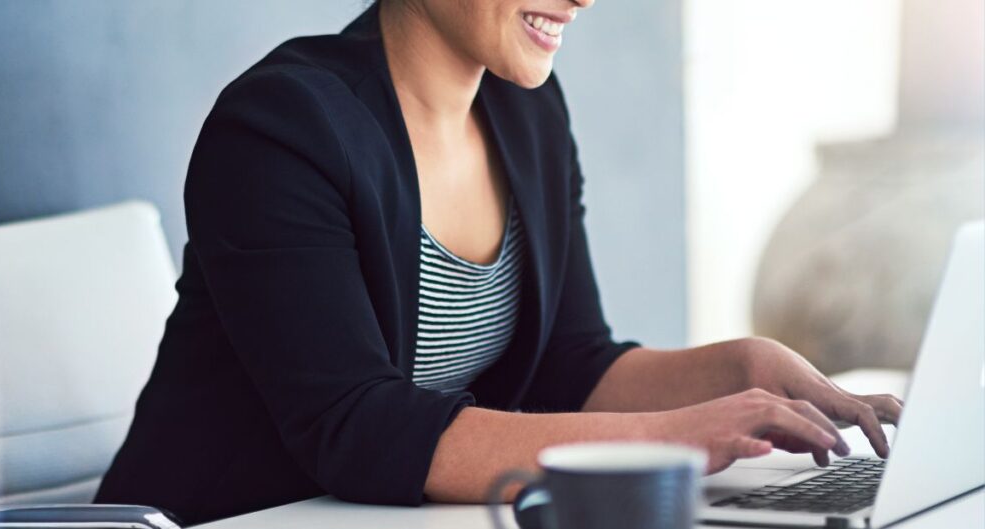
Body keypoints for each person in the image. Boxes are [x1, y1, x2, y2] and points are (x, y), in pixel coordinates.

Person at [95, 0, 903, 525]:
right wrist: (673, 441)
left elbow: (568, 363)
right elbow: (355, 426)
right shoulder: (278, 130)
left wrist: (745, 367)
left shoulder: (528, 110)